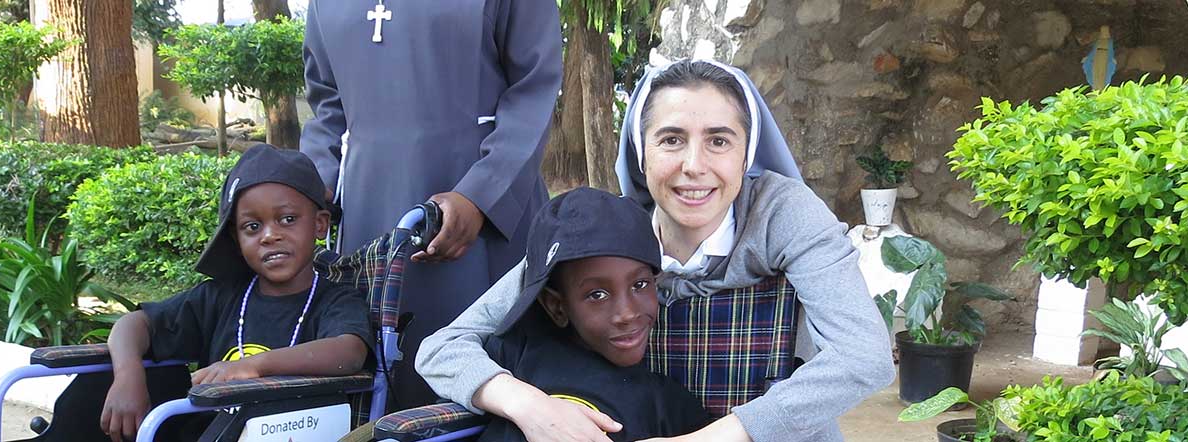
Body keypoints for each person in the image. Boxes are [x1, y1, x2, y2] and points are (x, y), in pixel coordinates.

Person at [416, 60, 894, 442]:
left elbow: (864, 356)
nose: (694, 166)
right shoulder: (607, 235)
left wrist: (717, 437)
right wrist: (530, 405)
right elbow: (443, 348)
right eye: (671, 140)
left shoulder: (781, 213)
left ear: (746, 152)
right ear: (640, 153)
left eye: (718, 140)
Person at [300, 0, 564, 410]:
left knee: (488, 380)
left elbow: (533, 87)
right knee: (382, 377)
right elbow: (327, 102)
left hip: (477, 202)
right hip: (370, 211)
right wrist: (312, 185)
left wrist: (481, 195)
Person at [30, 145, 371, 442]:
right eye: (252, 227)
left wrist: (255, 366)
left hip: (287, 429)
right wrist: (127, 377)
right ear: (236, 240)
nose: (270, 236)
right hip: (202, 431)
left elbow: (349, 351)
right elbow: (135, 324)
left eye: (287, 219)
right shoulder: (222, 297)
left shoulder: (334, 299)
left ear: (320, 225)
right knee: (111, 380)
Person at [476, 188, 713, 442]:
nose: (627, 313)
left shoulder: (667, 403)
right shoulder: (519, 350)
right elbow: (445, 357)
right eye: (597, 295)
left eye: (640, 285)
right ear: (557, 307)